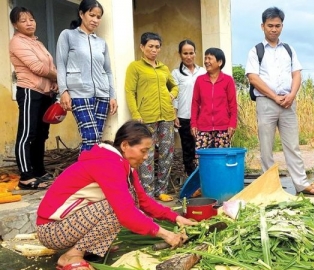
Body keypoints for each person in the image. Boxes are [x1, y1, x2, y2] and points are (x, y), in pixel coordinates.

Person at [36, 120, 196, 270]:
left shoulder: (123, 166)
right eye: (143, 151)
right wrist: (166, 234)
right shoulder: (109, 165)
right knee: (119, 208)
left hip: (69, 225)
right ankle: (71, 256)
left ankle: (88, 248)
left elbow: (143, 200)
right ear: (125, 145)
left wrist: (176, 217)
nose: (146, 156)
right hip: (52, 231)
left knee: (129, 200)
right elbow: (126, 213)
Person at [245, 7, 314, 195]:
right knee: (266, 147)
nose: (274, 29)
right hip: (266, 103)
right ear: (262, 26)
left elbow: (296, 74)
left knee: (292, 146)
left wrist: (292, 95)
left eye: (277, 26)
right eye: (270, 25)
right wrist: (274, 96)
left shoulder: (289, 49)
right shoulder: (256, 51)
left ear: (282, 26)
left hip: (288, 103)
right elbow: (253, 77)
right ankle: (270, 187)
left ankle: (301, 184)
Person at [56, 0, 117, 152]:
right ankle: (84, 174)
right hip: (79, 94)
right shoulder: (68, 36)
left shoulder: (101, 43)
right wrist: (63, 91)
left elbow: (108, 71)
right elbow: (61, 64)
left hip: (102, 95)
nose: (95, 20)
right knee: (90, 136)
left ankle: (90, 173)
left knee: (96, 140)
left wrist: (112, 95)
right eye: (92, 15)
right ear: (81, 14)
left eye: (98, 17)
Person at [125, 32, 178, 200]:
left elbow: (174, 86)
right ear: (142, 47)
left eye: (157, 47)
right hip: (146, 116)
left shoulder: (163, 68)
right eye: (150, 46)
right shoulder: (135, 67)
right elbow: (130, 91)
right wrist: (135, 113)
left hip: (167, 116)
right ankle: (147, 193)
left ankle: (161, 190)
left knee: (166, 153)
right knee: (145, 155)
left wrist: (172, 94)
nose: (154, 50)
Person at [9, 6, 58, 189]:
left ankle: (39, 171)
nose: (29, 23)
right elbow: (38, 69)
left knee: (41, 135)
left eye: (31, 19)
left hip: (45, 92)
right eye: (23, 21)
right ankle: (26, 177)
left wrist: (54, 83)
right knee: (27, 134)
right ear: (15, 25)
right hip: (30, 91)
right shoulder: (17, 42)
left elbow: (48, 66)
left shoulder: (37, 42)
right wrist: (59, 77)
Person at [190, 48, 237, 149]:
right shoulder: (200, 80)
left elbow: (233, 105)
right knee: (202, 160)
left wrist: (232, 124)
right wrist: (193, 124)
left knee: (221, 160)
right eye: (205, 58)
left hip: (223, 128)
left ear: (220, 62)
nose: (206, 61)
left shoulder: (228, 80)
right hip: (203, 128)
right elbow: (195, 103)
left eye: (210, 58)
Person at [172, 40, 206, 176]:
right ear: (180, 54)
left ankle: (203, 177)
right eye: (185, 53)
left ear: (195, 53)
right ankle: (190, 179)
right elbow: (175, 96)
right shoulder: (176, 73)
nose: (188, 56)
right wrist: (175, 115)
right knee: (188, 149)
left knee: (201, 148)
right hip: (184, 116)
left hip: (201, 117)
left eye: (191, 53)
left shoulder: (202, 72)